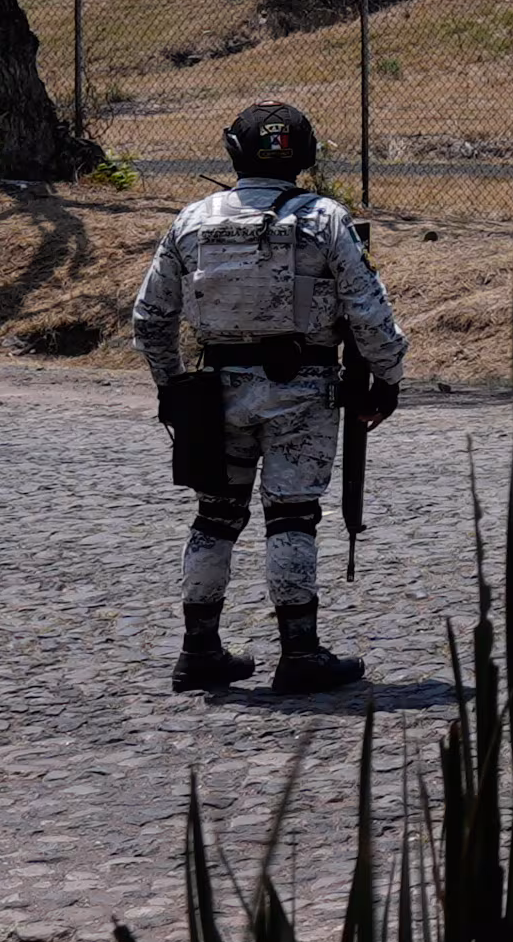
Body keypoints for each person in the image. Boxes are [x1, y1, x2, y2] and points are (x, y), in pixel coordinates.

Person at [131, 100, 408, 694]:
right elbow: (368, 312)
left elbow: (150, 317)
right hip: (301, 391)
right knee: (292, 517)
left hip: (212, 394)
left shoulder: (191, 220)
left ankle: (199, 649)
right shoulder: (326, 220)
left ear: (233, 151)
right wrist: (387, 380)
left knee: (214, 517)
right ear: (305, 157)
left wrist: (170, 386)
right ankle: (300, 655)